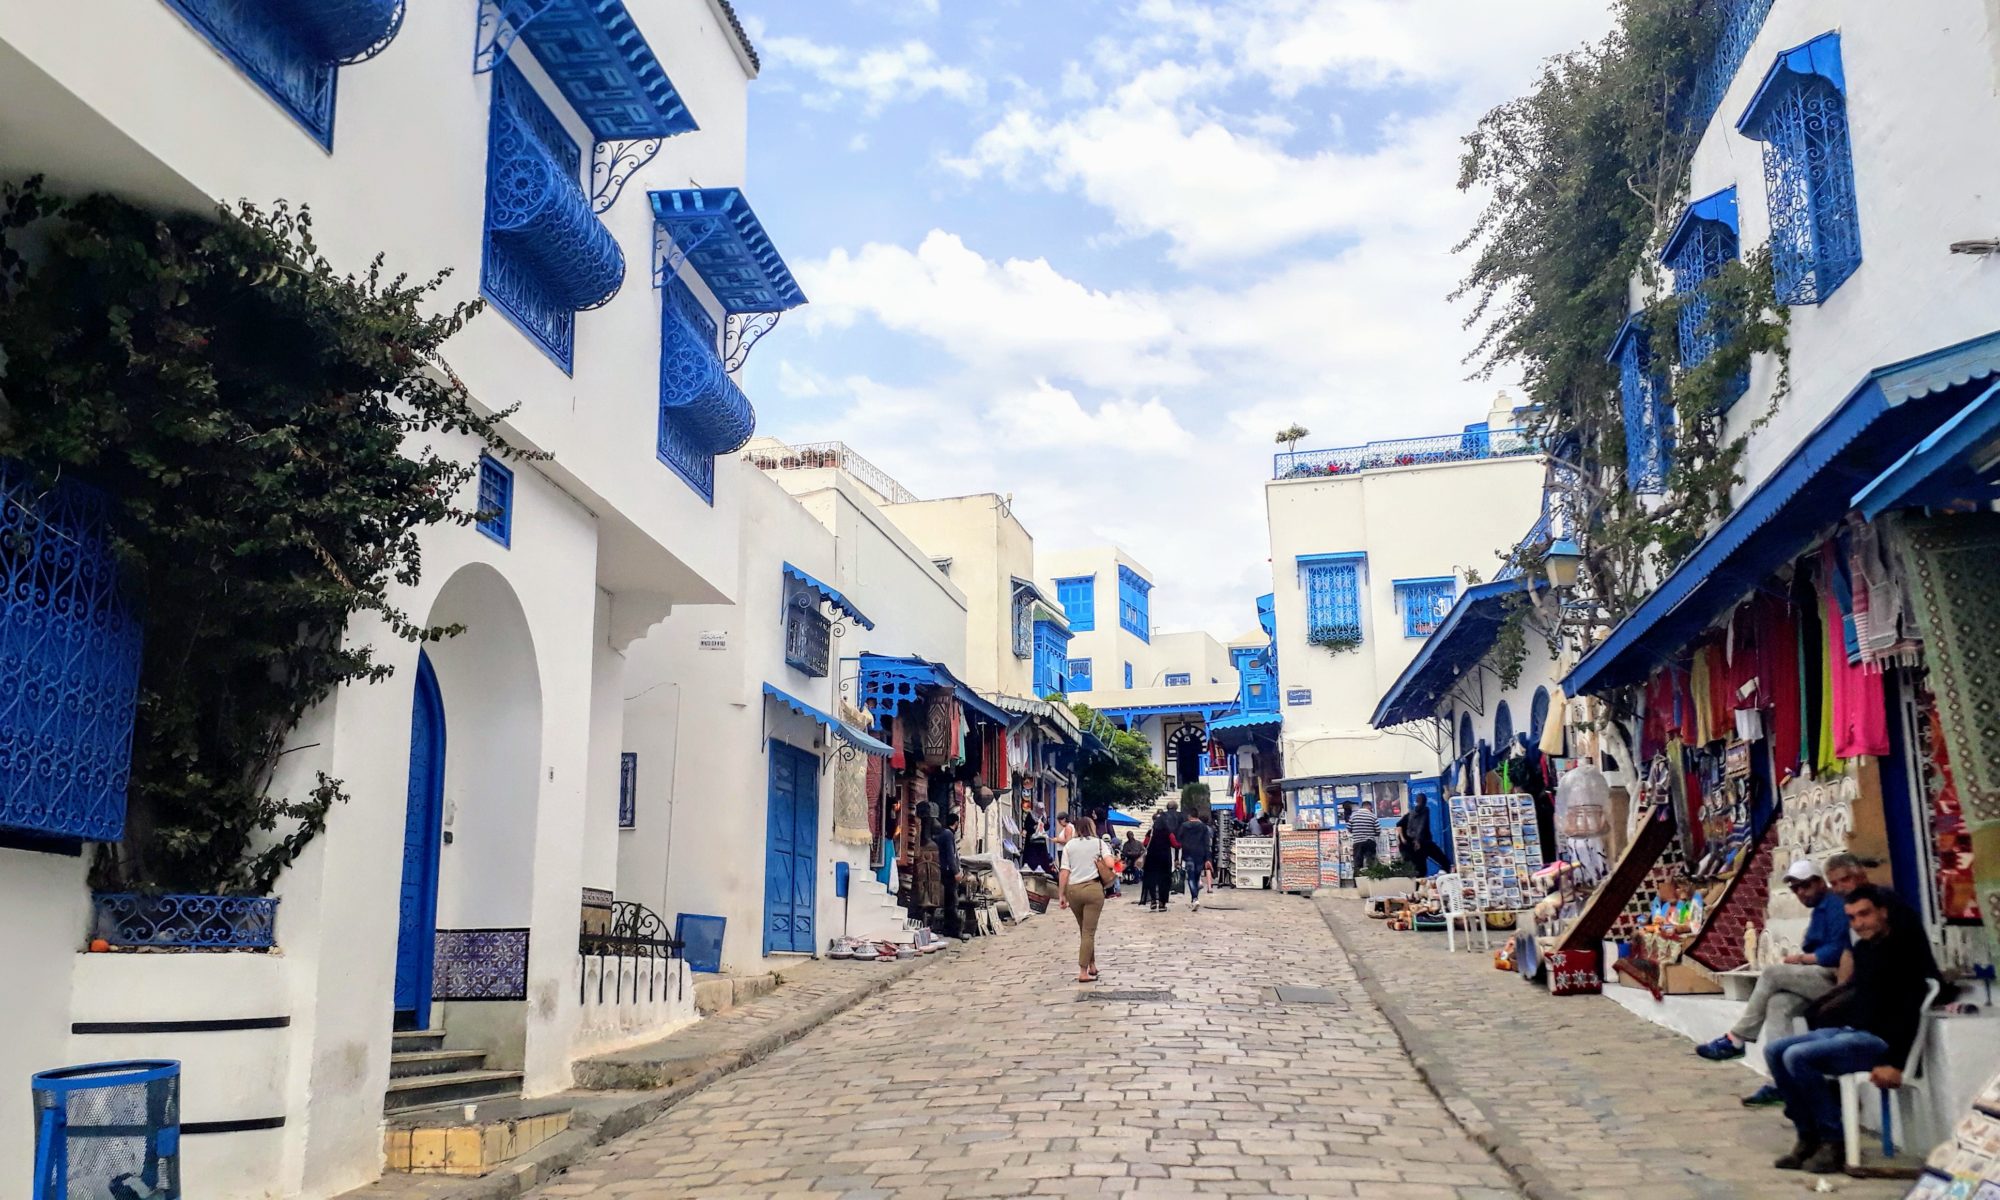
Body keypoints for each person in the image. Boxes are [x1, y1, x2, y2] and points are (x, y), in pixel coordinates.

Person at [1765, 884, 1940, 1174]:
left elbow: (1910, 1012)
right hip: (1851, 1032)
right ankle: (1807, 1135)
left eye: (1865, 915)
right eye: (1853, 918)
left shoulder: (1903, 951)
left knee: (1798, 1056)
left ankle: (1833, 1140)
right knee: (1775, 1051)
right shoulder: (1863, 950)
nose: (1859, 924)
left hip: (1878, 1042)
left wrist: (1895, 1063)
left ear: (1883, 912)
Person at [1696, 860, 1849, 1073]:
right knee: (1779, 1003)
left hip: (1838, 981)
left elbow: (1839, 950)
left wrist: (1804, 959)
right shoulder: (1820, 909)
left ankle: (1737, 1039)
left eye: (1806, 886)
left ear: (1820, 882)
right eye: (1796, 889)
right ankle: (1781, 1079)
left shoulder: (1835, 906)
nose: (1801, 893)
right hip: (1819, 978)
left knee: (1772, 974)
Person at [1057, 816, 1113, 982]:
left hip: (1073, 890)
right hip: (1093, 889)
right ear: (1091, 827)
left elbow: (1064, 872)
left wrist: (1062, 894)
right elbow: (1110, 864)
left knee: (1084, 930)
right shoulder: (1098, 843)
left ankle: (1092, 965)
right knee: (1089, 931)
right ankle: (1083, 971)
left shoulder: (1069, 846)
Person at [933, 811, 963, 940]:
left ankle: (948, 928)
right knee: (951, 901)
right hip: (948, 872)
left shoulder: (945, 834)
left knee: (949, 901)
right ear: (956, 823)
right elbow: (951, 856)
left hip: (945, 870)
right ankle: (952, 929)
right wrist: (956, 872)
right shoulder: (948, 834)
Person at [1179, 809, 1214, 910]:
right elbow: (1206, 843)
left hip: (1188, 853)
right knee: (1196, 876)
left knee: (1190, 877)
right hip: (1200, 854)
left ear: (1190, 816)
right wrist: (1208, 858)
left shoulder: (1184, 826)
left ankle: (1194, 898)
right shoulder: (1203, 827)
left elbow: (1179, 838)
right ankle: (1195, 898)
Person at [1142, 813, 1175, 911]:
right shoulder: (1168, 832)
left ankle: (1153, 901)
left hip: (1152, 859)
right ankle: (1162, 903)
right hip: (1165, 859)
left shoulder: (1151, 832)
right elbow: (1175, 844)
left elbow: (1145, 843)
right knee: (1164, 881)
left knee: (1152, 879)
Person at [1349, 800, 1380, 875]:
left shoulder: (1353, 815)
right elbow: (1378, 830)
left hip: (1357, 842)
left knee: (1357, 862)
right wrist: (1371, 833)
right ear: (1370, 807)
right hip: (1369, 842)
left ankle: (1357, 881)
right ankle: (1372, 880)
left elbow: (1349, 828)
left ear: (1362, 806)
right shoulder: (1373, 816)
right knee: (1371, 862)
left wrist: (1357, 832)